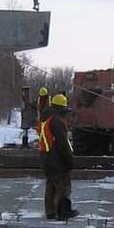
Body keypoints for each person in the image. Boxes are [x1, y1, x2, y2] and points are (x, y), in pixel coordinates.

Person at [38, 93, 77, 221]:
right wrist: (69, 159)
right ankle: (63, 212)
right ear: (61, 109)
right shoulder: (57, 121)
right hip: (56, 158)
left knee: (51, 185)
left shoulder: (46, 117)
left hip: (46, 157)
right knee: (62, 186)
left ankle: (50, 212)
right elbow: (63, 142)